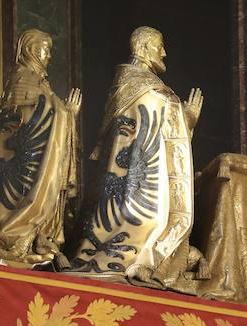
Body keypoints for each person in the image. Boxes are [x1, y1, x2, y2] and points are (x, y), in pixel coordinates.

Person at [71, 26, 207, 287]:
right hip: (136, 189)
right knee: (150, 219)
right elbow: (156, 130)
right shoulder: (145, 88)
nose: (164, 53)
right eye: (160, 46)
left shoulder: (129, 84)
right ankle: (140, 259)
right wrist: (186, 118)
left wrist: (184, 121)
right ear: (144, 48)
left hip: (127, 181)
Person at [0, 29, 81, 264]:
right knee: (32, 190)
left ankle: (41, 236)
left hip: (37, 154)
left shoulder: (40, 81)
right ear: (31, 50)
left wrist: (66, 115)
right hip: (23, 157)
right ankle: (23, 235)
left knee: (45, 185)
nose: (49, 55)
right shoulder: (23, 78)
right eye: (46, 49)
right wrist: (66, 114)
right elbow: (27, 117)